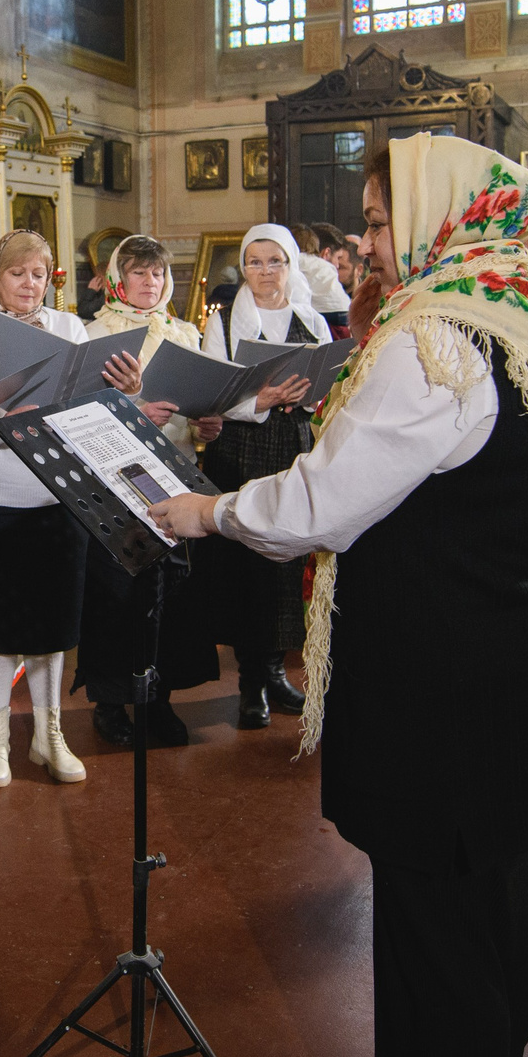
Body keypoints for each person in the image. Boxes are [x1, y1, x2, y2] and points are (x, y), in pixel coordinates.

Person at [147, 134, 528, 1057]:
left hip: (445, 685)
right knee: (489, 922)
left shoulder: (436, 336)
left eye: (386, 221)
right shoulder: (526, 305)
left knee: (442, 933)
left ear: (442, 211)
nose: (371, 245)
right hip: (511, 666)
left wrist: (206, 512)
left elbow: (322, 505)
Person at [0, 230, 94, 785]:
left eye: (39, 274)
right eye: (17, 274)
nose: (29, 284)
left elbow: (87, 405)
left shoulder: (70, 328)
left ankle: (47, 733)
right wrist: (9, 425)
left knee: (52, 621)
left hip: (56, 495)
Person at [79, 234, 222, 747]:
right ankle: (112, 700)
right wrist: (131, 413)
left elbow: (201, 405)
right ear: (119, 278)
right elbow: (78, 415)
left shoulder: (184, 332)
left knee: (170, 593)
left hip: (176, 478)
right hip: (114, 483)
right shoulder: (93, 333)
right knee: (118, 593)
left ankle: (157, 699)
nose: (150, 282)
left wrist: (208, 426)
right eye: (138, 273)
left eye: (158, 274)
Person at [190, 224, 327, 729]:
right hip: (241, 451)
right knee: (247, 565)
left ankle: (274, 672)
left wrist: (307, 397)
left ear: (291, 265)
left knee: (286, 562)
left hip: (293, 447)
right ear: (242, 267)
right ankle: (251, 683)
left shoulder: (312, 319)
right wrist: (260, 401)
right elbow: (212, 394)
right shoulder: (224, 323)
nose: (264, 271)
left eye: (275, 261)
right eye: (254, 261)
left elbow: (323, 387)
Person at [291, 221, 351, 332]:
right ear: (326, 253)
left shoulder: (291, 262)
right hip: (344, 315)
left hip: (322, 317)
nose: (337, 266)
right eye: (338, 258)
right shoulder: (322, 266)